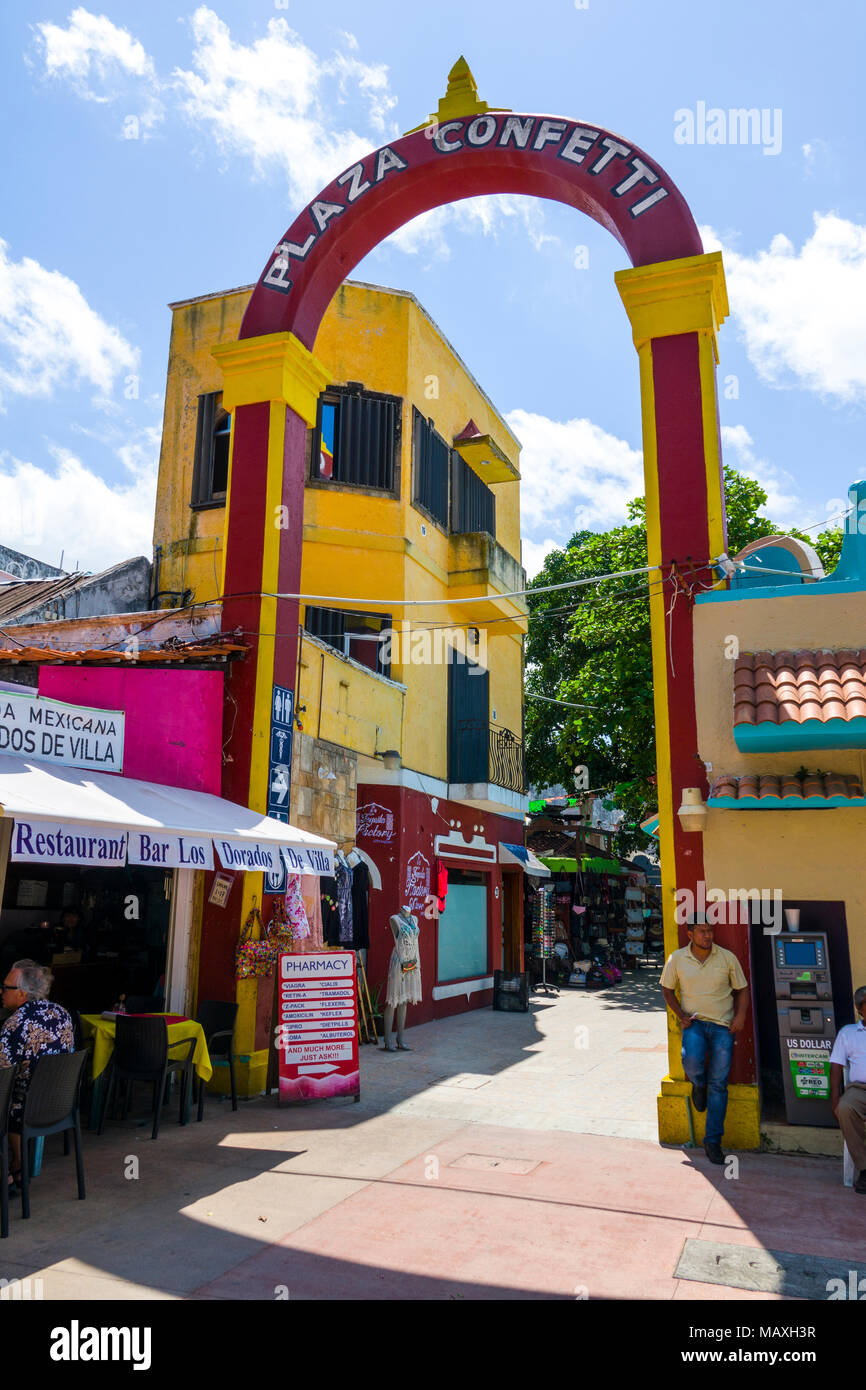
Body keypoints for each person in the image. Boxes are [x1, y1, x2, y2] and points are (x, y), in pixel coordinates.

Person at [660, 920, 750, 1165]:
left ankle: (713, 1142)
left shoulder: (727, 958)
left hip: (723, 1025)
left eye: (710, 930)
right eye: (702, 931)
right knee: (691, 1059)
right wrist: (681, 1015)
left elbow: (742, 989)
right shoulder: (677, 959)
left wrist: (740, 1016)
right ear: (690, 934)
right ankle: (698, 1085)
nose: (707, 935)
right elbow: (667, 989)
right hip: (695, 1023)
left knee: (719, 1084)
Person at [0, 960, 75, 1189]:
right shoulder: (62, 1013)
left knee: (7, 1096)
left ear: (22, 994)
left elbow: (2, 1072)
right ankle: (18, 1165)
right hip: (60, 1104)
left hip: (27, 1108)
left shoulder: (15, 1024)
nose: (1, 992)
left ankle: (12, 1170)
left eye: (6, 988)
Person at [830, 985, 866, 1195]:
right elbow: (836, 1065)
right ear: (860, 1009)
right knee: (845, 1108)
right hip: (858, 1090)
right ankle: (864, 1168)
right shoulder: (848, 1033)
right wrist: (835, 1099)